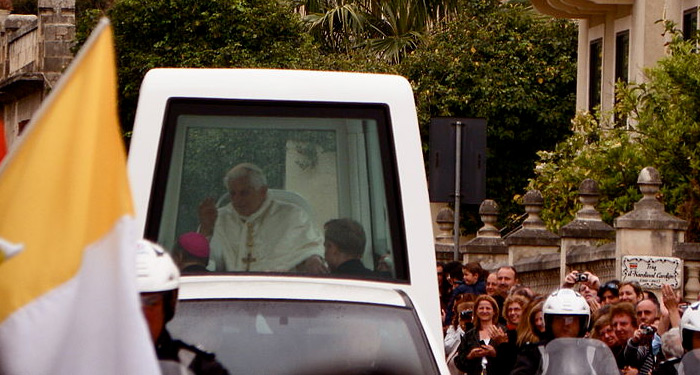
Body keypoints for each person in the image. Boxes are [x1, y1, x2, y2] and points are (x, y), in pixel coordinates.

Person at [199, 163, 325, 273]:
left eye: (244, 193)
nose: (237, 200)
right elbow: (205, 262)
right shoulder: (220, 218)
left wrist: (312, 259)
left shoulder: (293, 215)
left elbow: (311, 248)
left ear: (263, 191)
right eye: (233, 193)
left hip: (279, 291)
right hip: (232, 291)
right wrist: (206, 230)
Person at [136, 240, 229, 375]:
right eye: (129, 303)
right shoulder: (95, 361)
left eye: (151, 302)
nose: (141, 315)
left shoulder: (196, 367)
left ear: (169, 305)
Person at [510, 288, 599, 375]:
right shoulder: (535, 353)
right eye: (559, 319)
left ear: (582, 323)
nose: (565, 324)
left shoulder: (593, 352)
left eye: (571, 319)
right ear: (549, 322)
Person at [454, 295, 510, 375]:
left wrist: (494, 353)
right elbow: (459, 363)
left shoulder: (503, 331)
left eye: (488, 308)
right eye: (481, 308)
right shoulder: (469, 335)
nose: (484, 311)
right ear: (476, 311)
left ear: (494, 311)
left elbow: (509, 360)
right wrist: (470, 356)